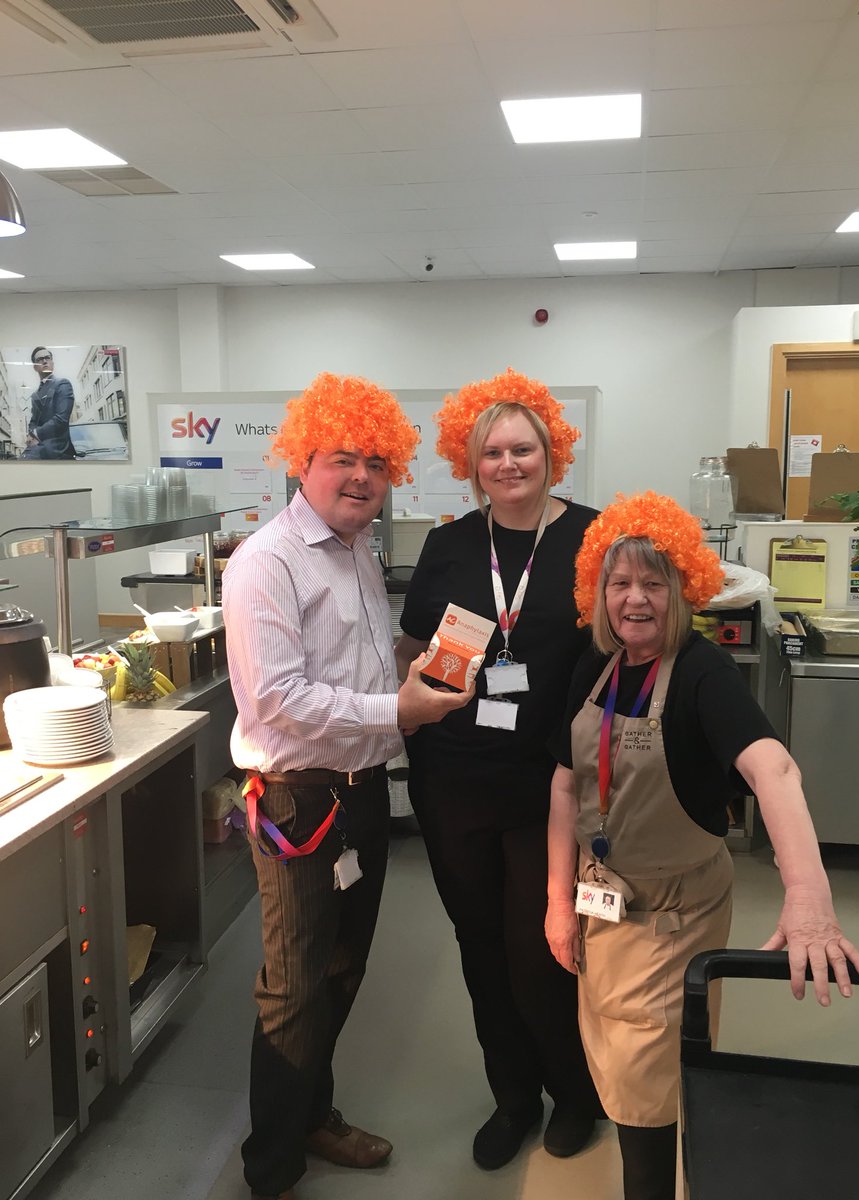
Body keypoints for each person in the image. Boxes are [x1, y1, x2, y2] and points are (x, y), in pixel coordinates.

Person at [546, 490, 859, 1200]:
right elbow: (566, 785)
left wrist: (809, 898)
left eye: (653, 583)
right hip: (602, 905)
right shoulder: (594, 665)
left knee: (645, 1086)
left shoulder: (700, 673)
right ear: (598, 592)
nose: (635, 600)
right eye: (620, 583)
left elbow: (774, 769)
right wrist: (556, 901)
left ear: (683, 589)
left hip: (671, 916)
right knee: (620, 1062)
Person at [224, 373, 474, 1200]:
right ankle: (272, 1167)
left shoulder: (360, 549)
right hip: (299, 799)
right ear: (304, 459)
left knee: (341, 968)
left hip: (362, 791)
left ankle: (314, 1115)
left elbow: (358, 665)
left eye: (376, 460)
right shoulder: (267, 562)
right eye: (342, 458)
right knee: (292, 987)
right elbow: (277, 701)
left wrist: (421, 670)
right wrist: (397, 707)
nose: (361, 475)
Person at [395, 368, 603, 1171]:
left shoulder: (591, 538)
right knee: (479, 948)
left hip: (547, 785)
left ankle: (574, 1093)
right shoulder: (450, 545)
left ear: (553, 454)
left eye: (524, 449)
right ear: (471, 462)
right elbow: (418, 647)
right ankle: (513, 1098)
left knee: (541, 949)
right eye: (492, 453)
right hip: (453, 780)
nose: (508, 464)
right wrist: (413, 695)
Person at [22, 346, 76, 459]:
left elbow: (61, 419)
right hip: (40, 448)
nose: (45, 361)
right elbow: (33, 421)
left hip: (58, 450)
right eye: (40, 359)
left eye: (48, 358)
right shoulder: (35, 394)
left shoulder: (62, 384)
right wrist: (31, 434)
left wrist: (35, 434)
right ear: (35, 367)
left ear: (52, 362)